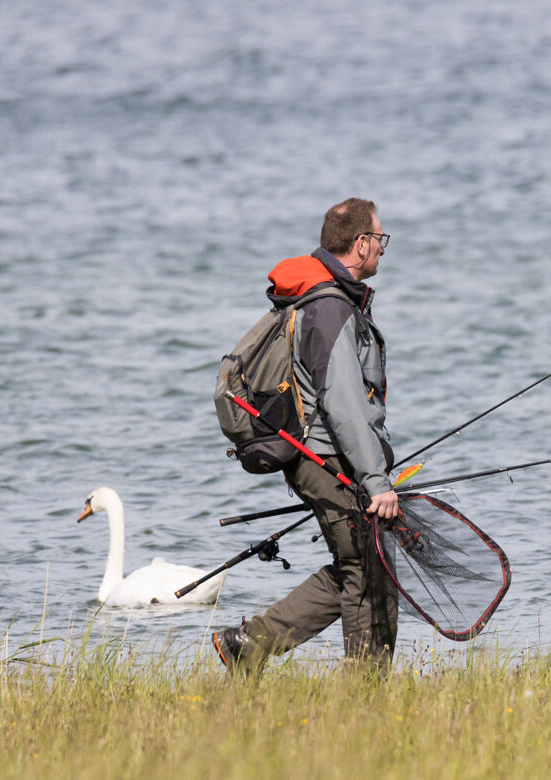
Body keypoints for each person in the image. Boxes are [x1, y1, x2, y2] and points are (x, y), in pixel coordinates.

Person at [213, 197, 399, 678]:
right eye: (380, 240)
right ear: (361, 244)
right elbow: (343, 403)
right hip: (325, 458)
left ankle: (248, 645)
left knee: (357, 565)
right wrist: (376, 481)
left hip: (314, 457)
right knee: (367, 570)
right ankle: (365, 695)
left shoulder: (315, 299)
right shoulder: (331, 308)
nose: (382, 249)